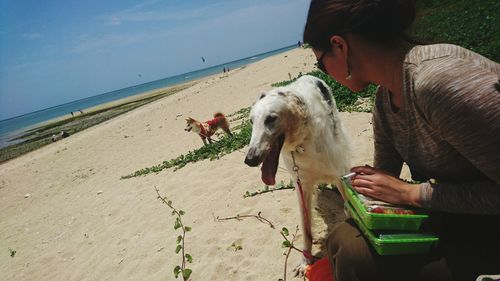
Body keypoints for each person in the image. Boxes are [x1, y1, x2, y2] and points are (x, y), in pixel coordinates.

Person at [303, 0, 500, 280]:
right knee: (341, 238)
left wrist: (410, 194)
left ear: (340, 46)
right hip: (464, 219)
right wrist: (364, 192)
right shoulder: (385, 101)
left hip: (487, 227)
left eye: (321, 64)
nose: (326, 74)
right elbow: (386, 184)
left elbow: (404, 193)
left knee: (356, 258)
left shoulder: (436, 82)